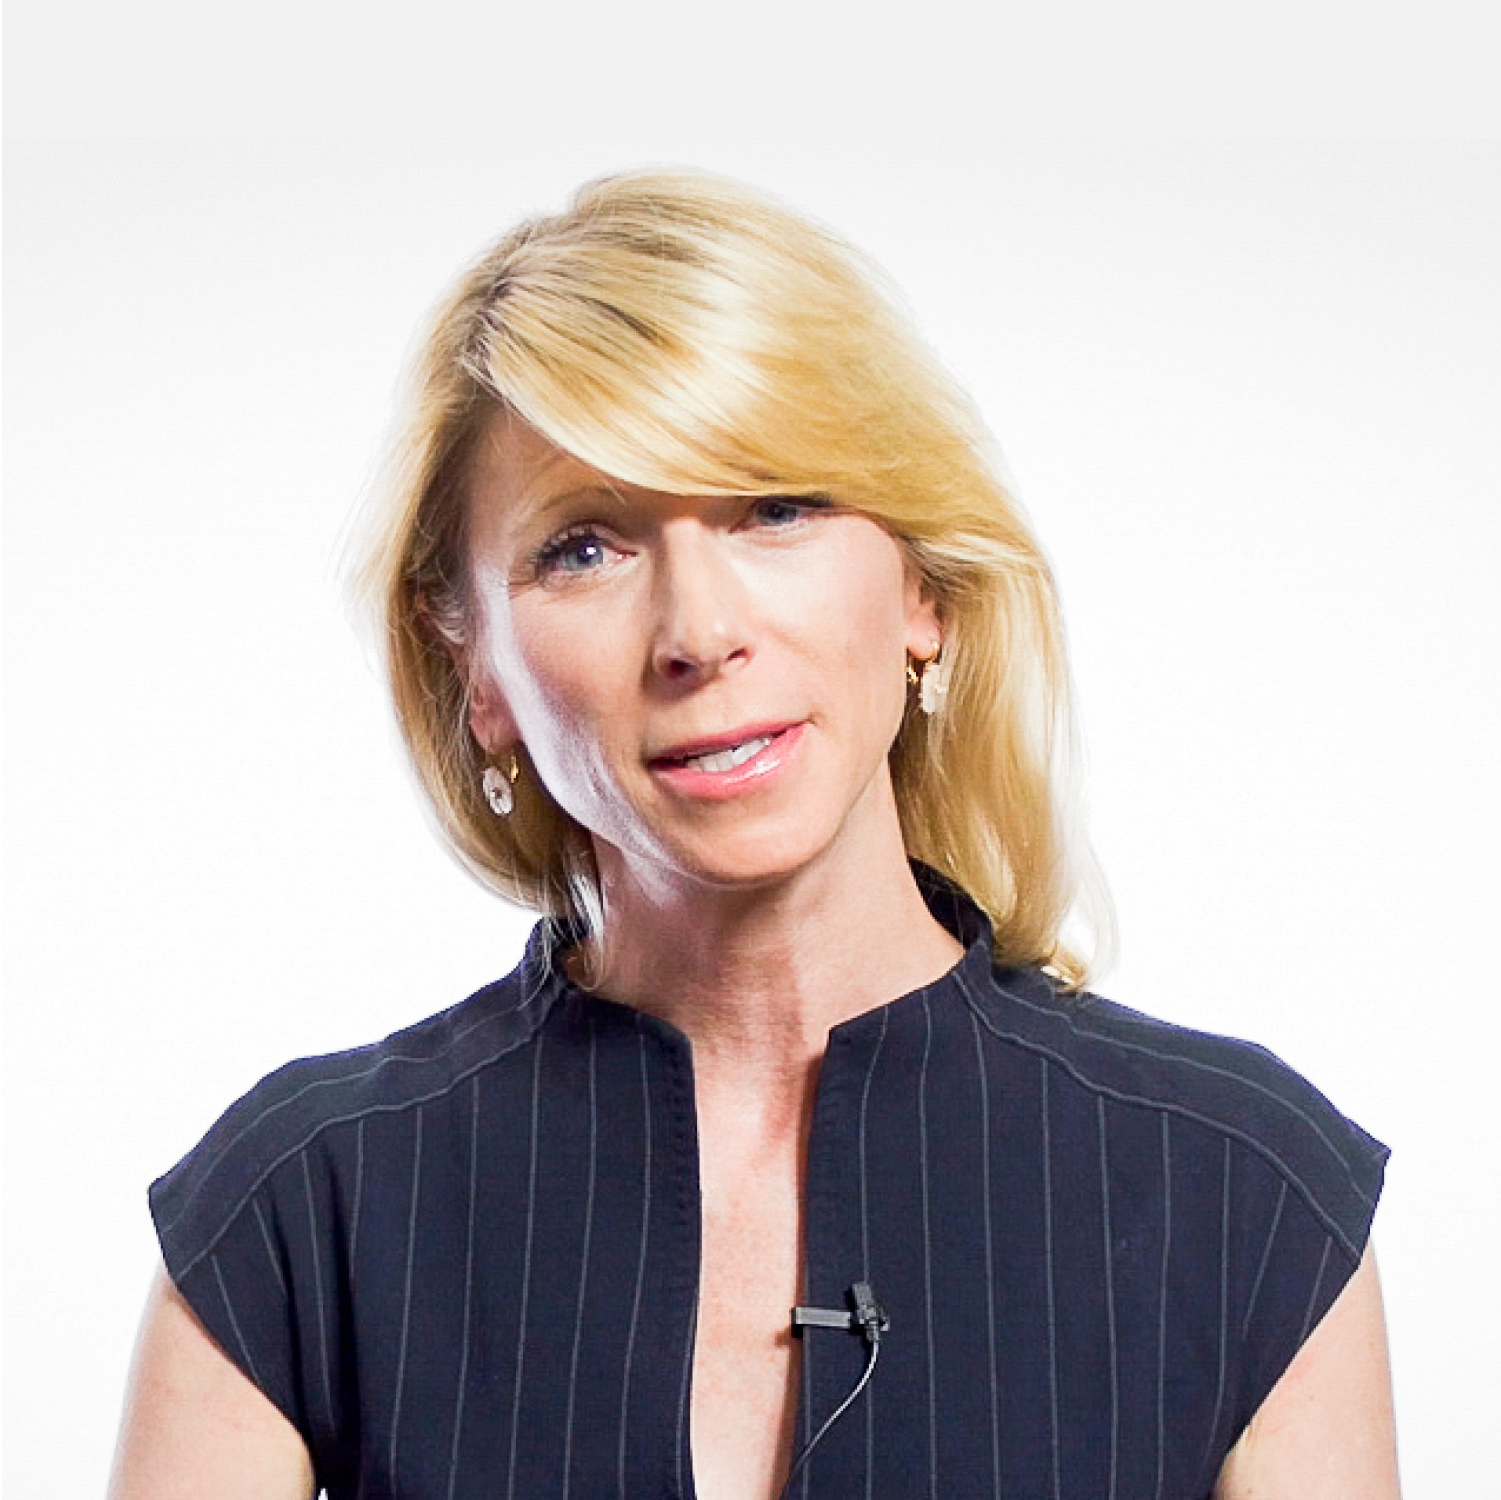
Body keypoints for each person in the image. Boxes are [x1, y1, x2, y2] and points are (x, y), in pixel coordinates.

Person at [108, 170, 1398, 1500]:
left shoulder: (1250, 1200)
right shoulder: (290, 1217)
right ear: (477, 671)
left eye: (775, 507)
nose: (701, 632)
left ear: (924, 591)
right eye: (584, 549)